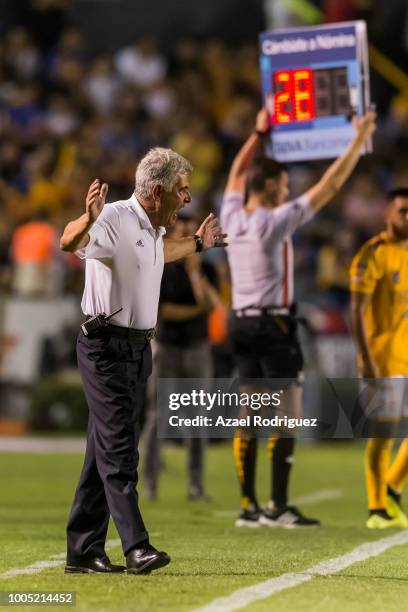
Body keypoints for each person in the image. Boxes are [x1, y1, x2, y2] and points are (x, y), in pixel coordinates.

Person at [60, 147, 227, 574]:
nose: (188, 199)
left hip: (137, 350)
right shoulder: (114, 217)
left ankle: (83, 549)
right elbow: (69, 242)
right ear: (156, 191)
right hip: (105, 348)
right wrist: (88, 218)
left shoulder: (151, 227)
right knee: (119, 450)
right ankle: (136, 547)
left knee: (103, 450)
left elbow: (157, 254)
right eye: (182, 190)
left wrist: (196, 244)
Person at [220, 107, 376, 528]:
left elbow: (237, 171)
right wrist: (358, 139)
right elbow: (331, 186)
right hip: (273, 324)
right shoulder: (274, 221)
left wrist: (257, 133)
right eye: (284, 185)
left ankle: (248, 507)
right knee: (287, 414)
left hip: (241, 321)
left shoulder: (233, 216)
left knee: (249, 415)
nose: (288, 191)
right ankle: (279, 505)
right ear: (270, 186)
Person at [143, 213, 221, 501]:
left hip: (197, 348)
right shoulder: (161, 265)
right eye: (185, 231)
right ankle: (149, 482)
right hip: (168, 347)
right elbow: (165, 312)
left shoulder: (205, 269)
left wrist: (194, 273)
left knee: (197, 419)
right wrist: (199, 309)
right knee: (157, 417)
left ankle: (196, 486)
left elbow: (215, 304)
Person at [349, 187, 408, 529]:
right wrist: (365, 358)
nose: (407, 217)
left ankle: (391, 489)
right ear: (387, 214)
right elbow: (356, 310)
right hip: (381, 359)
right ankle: (376, 508)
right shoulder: (373, 254)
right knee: (382, 434)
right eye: (402, 211)